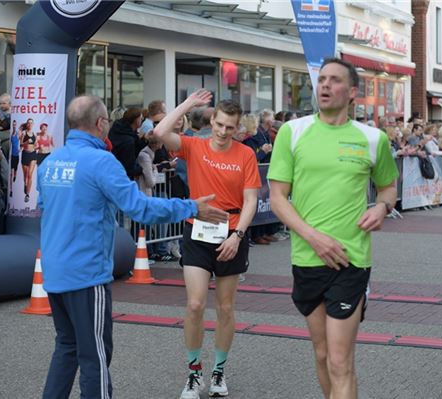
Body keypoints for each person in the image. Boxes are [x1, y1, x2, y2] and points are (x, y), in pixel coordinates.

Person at [37, 95, 227, 399]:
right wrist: (190, 207)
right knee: (95, 354)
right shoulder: (100, 161)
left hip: (55, 270)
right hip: (86, 273)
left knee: (67, 347)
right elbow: (139, 208)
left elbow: (45, 207)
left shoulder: (51, 162)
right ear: (100, 124)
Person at [268, 57, 398, 399]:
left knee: (341, 361)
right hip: (307, 258)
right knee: (323, 355)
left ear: (352, 92)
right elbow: (278, 198)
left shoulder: (373, 139)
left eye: (334, 80)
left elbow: (388, 187)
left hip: (350, 259)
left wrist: (382, 207)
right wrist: (313, 237)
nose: (324, 85)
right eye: (321, 79)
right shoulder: (292, 132)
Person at [154, 91, 261, 399]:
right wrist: (188, 105)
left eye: (230, 127)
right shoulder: (194, 145)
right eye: (219, 125)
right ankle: (193, 372)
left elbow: (251, 200)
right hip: (197, 233)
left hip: (232, 234)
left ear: (238, 128)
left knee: (225, 308)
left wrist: (237, 236)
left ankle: (218, 371)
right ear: (211, 121)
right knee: (195, 304)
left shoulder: (245, 155)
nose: (223, 132)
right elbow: (161, 132)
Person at [19, 118, 37, 203]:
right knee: (25, 175)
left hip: (33, 154)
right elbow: (21, 144)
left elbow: (36, 144)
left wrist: (37, 147)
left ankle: (27, 194)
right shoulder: (24, 133)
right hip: (25, 154)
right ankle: (25, 185)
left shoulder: (34, 134)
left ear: (33, 124)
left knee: (30, 175)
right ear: (27, 124)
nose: (30, 125)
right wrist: (26, 142)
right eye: (28, 123)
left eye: (31, 123)